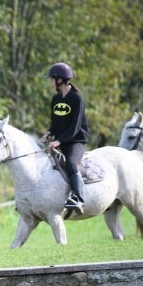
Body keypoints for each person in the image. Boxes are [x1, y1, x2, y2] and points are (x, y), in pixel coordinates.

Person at [39, 61, 89, 214]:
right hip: (59, 140)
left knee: (72, 163)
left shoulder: (77, 99)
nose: (50, 83)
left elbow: (75, 127)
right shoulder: (56, 99)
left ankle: (79, 199)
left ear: (60, 79)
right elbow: (55, 123)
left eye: (52, 79)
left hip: (76, 141)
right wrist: (49, 133)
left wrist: (58, 141)